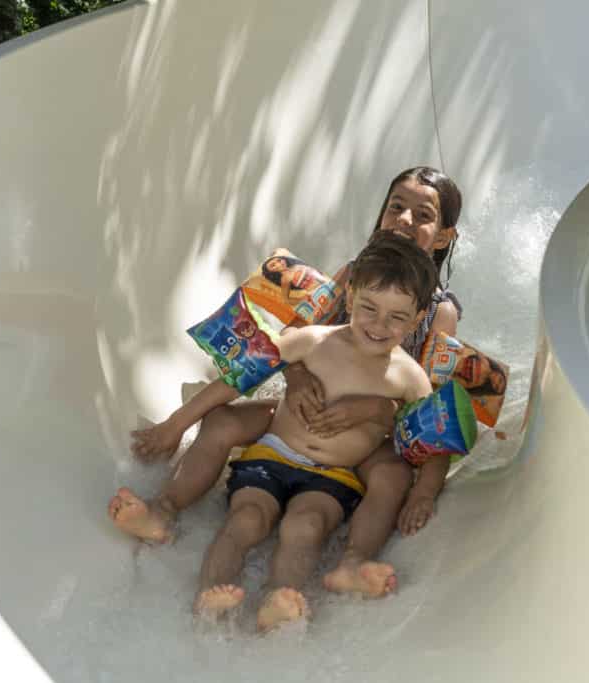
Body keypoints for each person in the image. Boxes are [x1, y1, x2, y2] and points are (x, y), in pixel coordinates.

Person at [110, 167, 462, 598]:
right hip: (300, 413)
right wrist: (292, 381)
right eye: (396, 207)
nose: (405, 220)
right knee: (222, 422)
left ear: (443, 236)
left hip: (367, 432)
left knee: (386, 479)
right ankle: (165, 509)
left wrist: (381, 421)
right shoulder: (354, 275)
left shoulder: (437, 313)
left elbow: (425, 420)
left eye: (422, 215)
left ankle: (352, 561)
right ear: (354, 297)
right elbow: (285, 346)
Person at [188, 233, 443, 629]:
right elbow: (240, 375)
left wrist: (424, 494)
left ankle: (278, 601)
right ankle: (211, 595)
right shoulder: (313, 340)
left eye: (397, 317)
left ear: (418, 315)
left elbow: (434, 444)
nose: (379, 325)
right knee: (246, 519)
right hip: (271, 455)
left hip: (333, 476)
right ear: (351, 293)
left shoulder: (410, 378)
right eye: (369, 308)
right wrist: (177, 424)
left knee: (304, 527)